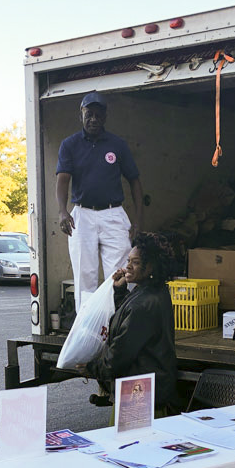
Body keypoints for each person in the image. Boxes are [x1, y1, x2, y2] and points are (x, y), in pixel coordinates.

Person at [56, 91, 145, 307]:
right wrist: (62, 211)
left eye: (98, 115)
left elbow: (134, 181)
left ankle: (117, 322)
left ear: (105, 117)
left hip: (113, 213)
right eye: (89, 114)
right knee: (84, 274)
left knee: (120, 272)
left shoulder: (117, 144)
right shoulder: (70, 144)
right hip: (82, 215)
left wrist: (138, 222)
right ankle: (87, 326)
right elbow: (63, 179)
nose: (94, 119)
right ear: (81, 115)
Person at [81, 232, 180, 417]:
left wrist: (91, 367)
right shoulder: (153, 293)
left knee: (129, 443)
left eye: (134, 262)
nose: (127, 266)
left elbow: (120, 354)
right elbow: (127, 318)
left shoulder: (143, 304)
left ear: (150, 267)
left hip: (139, 396)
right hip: (146, 391)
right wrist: (120, 291)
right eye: (128, 260)